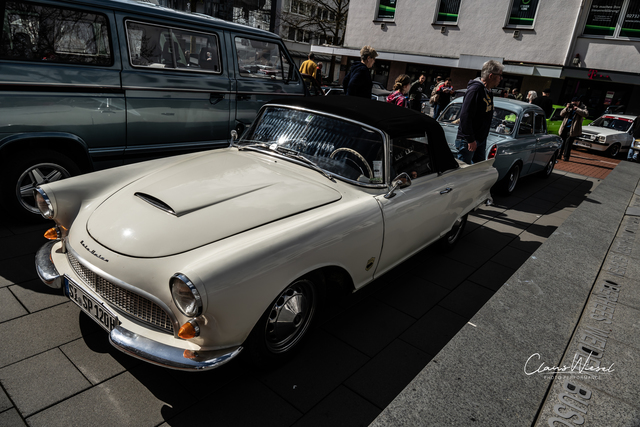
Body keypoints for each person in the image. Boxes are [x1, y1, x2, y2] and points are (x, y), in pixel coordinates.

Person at [455, 59, 504, 164]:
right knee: (464, 171)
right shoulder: (475, 90)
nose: (501, 78)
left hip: (481, 139)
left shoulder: (488, 91)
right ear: (491, 76)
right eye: (499, 75)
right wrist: (470, 139)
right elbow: (465, 116)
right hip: (469, 140)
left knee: (477, 170)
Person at [559, 97, 589, 162]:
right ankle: (559, 154)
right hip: (565, 126)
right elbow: (561, 114)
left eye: (575, 104)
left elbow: (586, 114)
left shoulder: (583, 107)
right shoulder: (569, 106)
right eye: (573, 104)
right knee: (562, 142)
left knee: (568, 143)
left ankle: (566, 157)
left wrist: (577, 109)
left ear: (578, 102)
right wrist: (566, 108)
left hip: (573, 128)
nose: (573, 105)